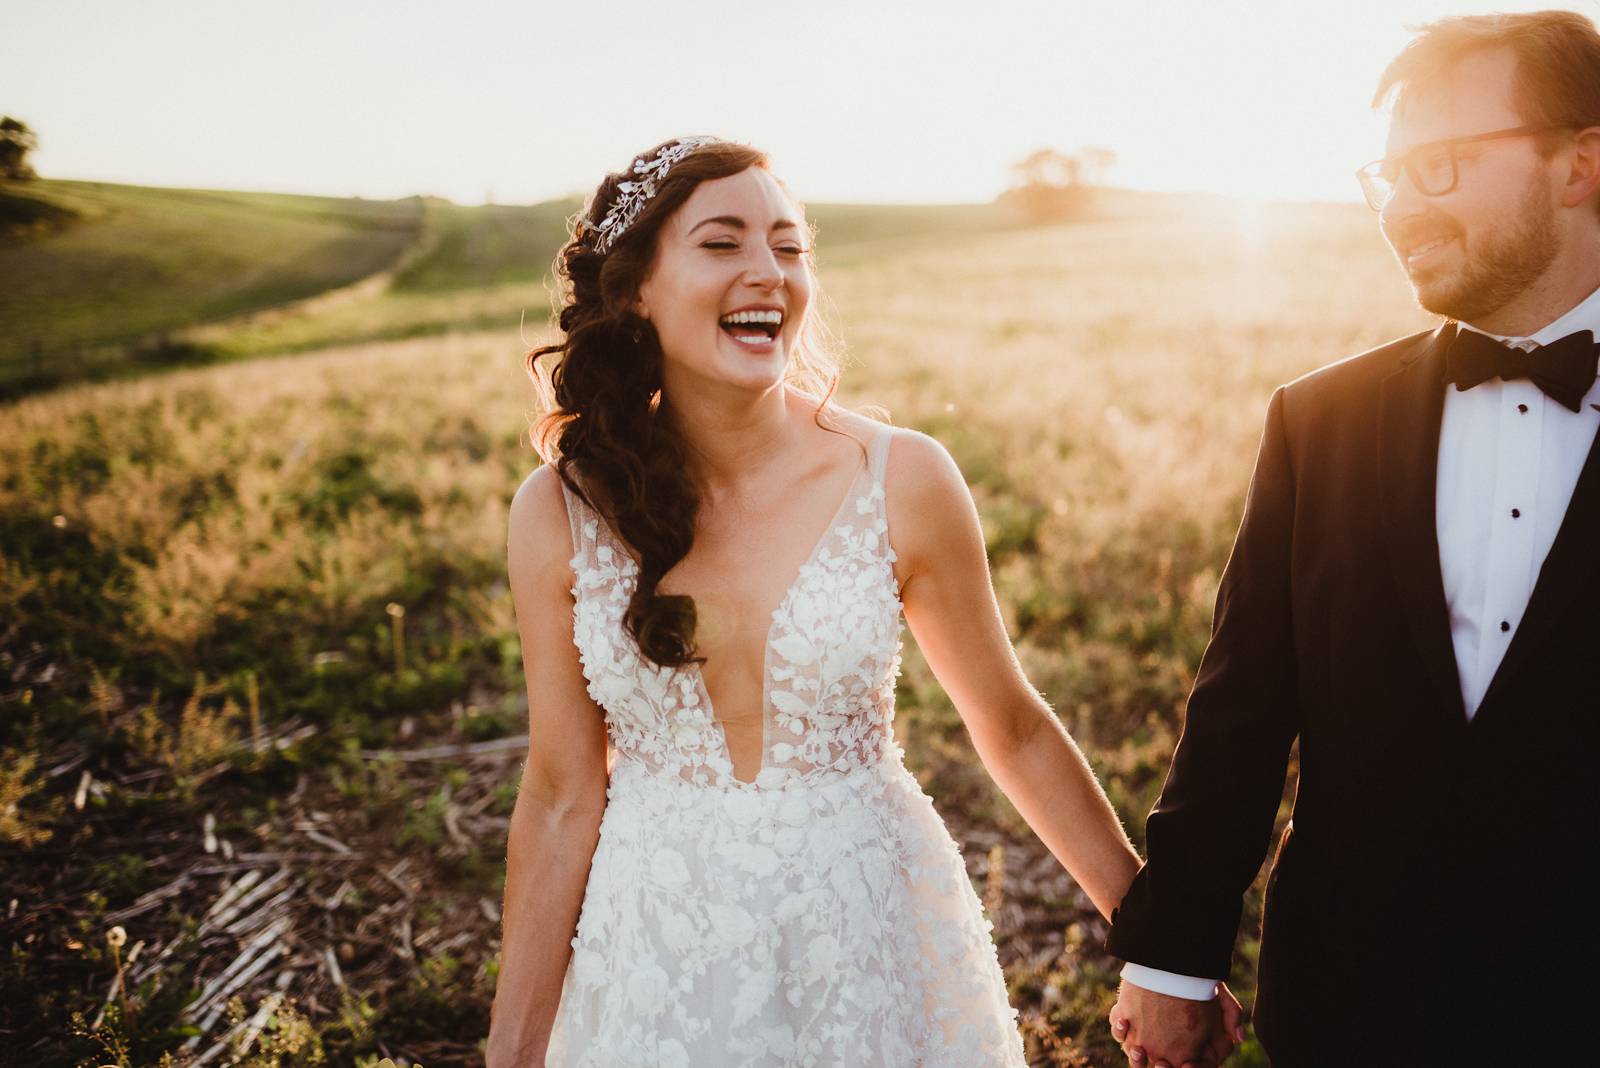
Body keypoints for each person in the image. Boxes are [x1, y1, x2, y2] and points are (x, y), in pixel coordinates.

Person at [484, 136, 1145, 1067]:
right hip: (661, 954)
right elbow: (559, 791)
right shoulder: (558, 510)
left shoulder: (902, 476)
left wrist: (1164, 949)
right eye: (723, 244)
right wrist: (511, 1051)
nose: (769, 273)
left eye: (790, 248)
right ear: (636, 289)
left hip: (871, 935)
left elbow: (1013, 727)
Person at [1103, 11, 1600, 1067]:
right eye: (1389, 177)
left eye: (1443, 167)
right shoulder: (1318, 420)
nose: (1400, 211)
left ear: (1579, 163)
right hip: (1354, 998)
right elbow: (1239, 703)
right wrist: (1172, 958)